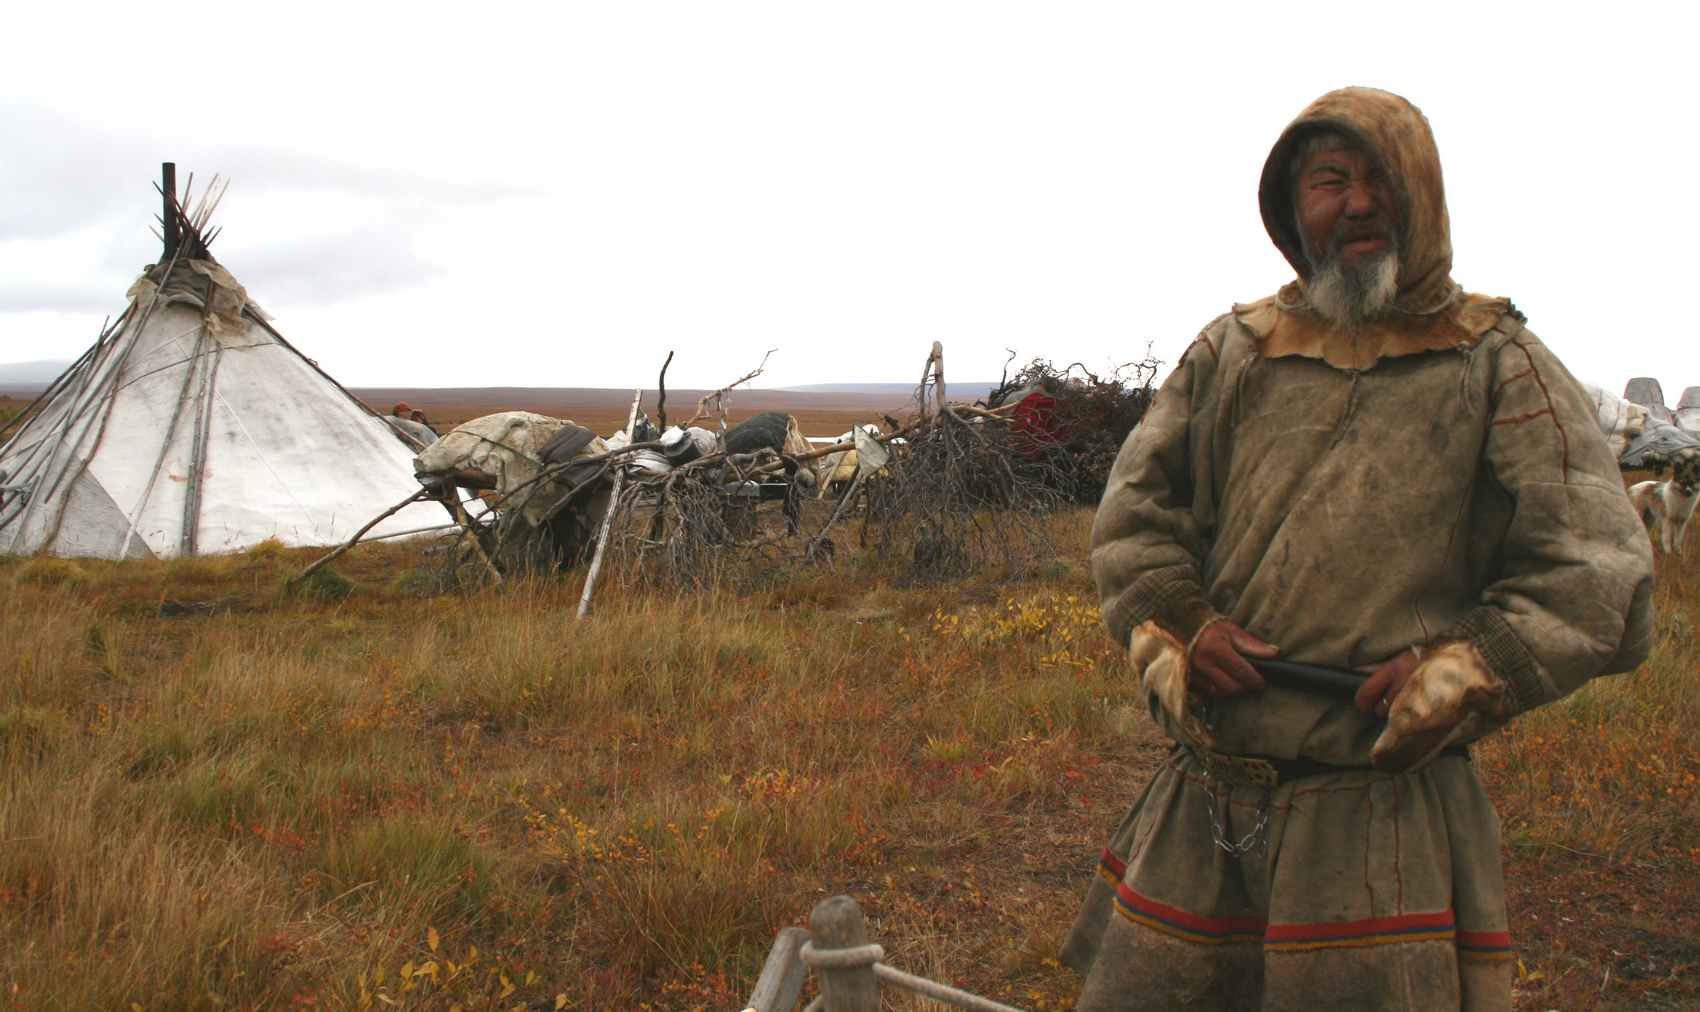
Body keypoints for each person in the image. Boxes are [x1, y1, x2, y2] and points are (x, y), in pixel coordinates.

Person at [1060, 87, 1653, 1012]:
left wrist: (1459, 668)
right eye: (1331, 181)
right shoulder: (1233, 352)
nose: (1360, 203)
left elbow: (1597, 567)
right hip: (1205, 804)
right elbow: (1136, 517)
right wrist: (1183, 624)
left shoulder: (1498, 362)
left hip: (1381, 827)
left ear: (1423, 193)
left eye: (1383, 178)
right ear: (1295, 209)